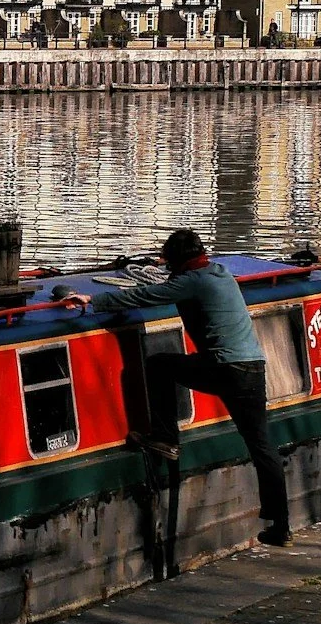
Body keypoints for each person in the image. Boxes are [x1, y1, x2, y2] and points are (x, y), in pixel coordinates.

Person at [65, 229, 289, 546]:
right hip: (253, 368)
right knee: (262, 447)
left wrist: (94, 300)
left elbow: (144, 296)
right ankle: (281, 526)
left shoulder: (191, 281)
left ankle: (166, 438)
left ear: (178, 260)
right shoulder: (220, 273)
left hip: (224, 366)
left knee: (159, 366)